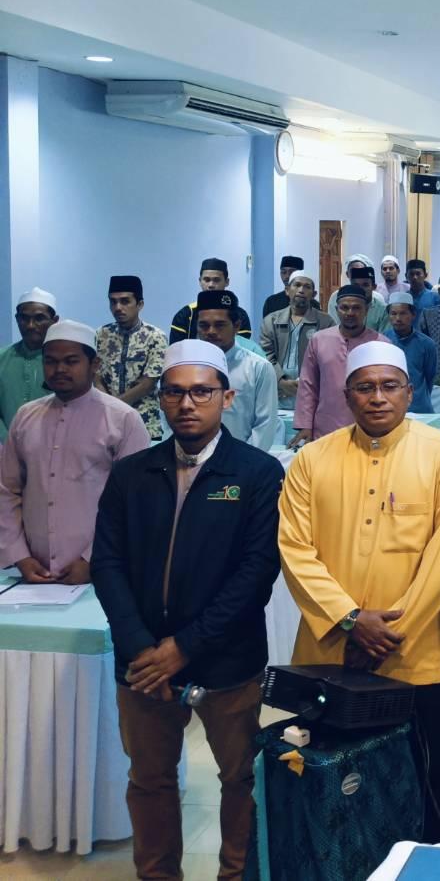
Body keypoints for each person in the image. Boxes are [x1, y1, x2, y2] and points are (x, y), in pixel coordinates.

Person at [91, 339, 283, 881]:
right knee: (149, 780)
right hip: (143, 665)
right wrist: (140, 647)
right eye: (174, 393)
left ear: (227, 397)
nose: (187, 404)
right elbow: (107, 563)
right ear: (160, 399)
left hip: (227, 661)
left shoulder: (257, 473)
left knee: (239, 779)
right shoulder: (132, 473)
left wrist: (186, 647)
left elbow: (255, 573)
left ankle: (236, 875)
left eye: (201, 392)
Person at [278, 341, 440, 843]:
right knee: (332, 786)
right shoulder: (311, 460)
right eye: (365, 387)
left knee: (420, 784)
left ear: (409, 392)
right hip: (329, 656)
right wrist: (350, 620)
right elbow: (294, 550)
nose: (377, 397)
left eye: (389, 386)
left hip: (418, 658)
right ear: (346, 396)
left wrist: (385, 635)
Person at [0, 319, 149, 584]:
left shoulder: (123, 419)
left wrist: (94, 560)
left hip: (105, 572)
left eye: (71, 361)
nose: (59, 369)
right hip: (33, 572)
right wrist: (19, 555)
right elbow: (7, 490)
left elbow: (135, 500)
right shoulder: (25, 417)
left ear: (95, 365)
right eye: (51, 361)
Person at [288, 286, 387, 444]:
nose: (350, 313)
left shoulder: (381, 343)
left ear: (366, 310)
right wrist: (305, 425)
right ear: (336, 309)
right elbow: (308, 385)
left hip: (369, 428)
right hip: (325, 429)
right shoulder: (319, 340)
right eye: (344, 308)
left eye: (356, 308)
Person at [196, 291, 277, 451]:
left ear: (237, 326)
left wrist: (244, 461)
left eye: (219, 325)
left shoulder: (258, 367)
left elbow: (265, 424)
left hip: (241, 459)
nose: (211, 331)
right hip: (191, 458)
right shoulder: (186, 368)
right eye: (204, 325)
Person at [95, 275, 169, 439]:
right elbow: (97, 378)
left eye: (125, 301)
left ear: (140, 304)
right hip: (106, 422)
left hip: (144, 423)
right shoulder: (102, 334)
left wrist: (113, 407)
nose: (118, 307)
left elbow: (148, 384)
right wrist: (109, 408)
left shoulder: (155, 337)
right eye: (113, 302)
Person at [260, 271, 335, 409]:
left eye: (307, 287)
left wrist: (306, 383)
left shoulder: (326, 322)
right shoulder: (271, 321)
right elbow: (266, 355)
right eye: (297, 285)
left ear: (314, 294)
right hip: (278, 394)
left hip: (313, 395)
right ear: (287, 290)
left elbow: (329, 359)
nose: (301, 290)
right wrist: (281, 381)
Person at [0, 288, 59, 439]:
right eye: (24, 318)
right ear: (16, 319)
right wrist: (7, 443)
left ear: (55, 321)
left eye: (39, 318)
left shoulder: (64, 363)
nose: (30, 325)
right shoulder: (2, 358)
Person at [170, 258, 251, 341]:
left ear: (227, 282)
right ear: (200, 281)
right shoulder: (184, 315)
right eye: (206, 280)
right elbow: (176, 348)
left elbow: (242, 346)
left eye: (216, 280)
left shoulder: (240, 315)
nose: (211, 285)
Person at [384, 293, 438, 414]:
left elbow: (430, 377)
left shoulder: (427, 344)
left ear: (413, 315)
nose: (398, 318)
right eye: (393, 313)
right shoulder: (382, 341)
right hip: (390, 407)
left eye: (403, 313)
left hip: (420, 407)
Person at [347, 262, 391, 334]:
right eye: (356, 285)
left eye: (365, 285)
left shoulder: (383, 310)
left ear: (374, 287)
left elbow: (384, 337)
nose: (360, 289)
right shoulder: (345, 308)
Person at [261, 255, 307, 322]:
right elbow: (266, 326)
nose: (287, 276)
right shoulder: (271, 302)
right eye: (283, 272)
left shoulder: (310, 303)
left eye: (291, 272)